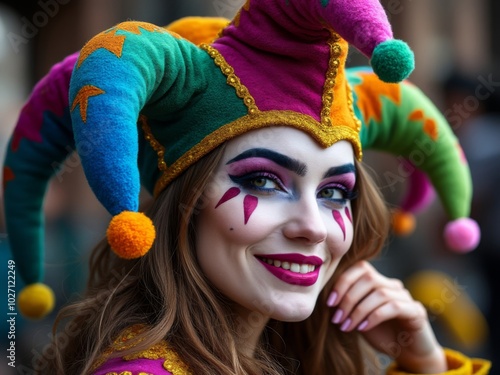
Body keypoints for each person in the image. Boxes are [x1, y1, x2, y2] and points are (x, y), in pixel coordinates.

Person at [2, 1, 491, 374]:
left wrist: (425, 361)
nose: (313, 228)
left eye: (334, 192)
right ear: (185, 204)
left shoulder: (286, 351)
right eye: (263, 181)